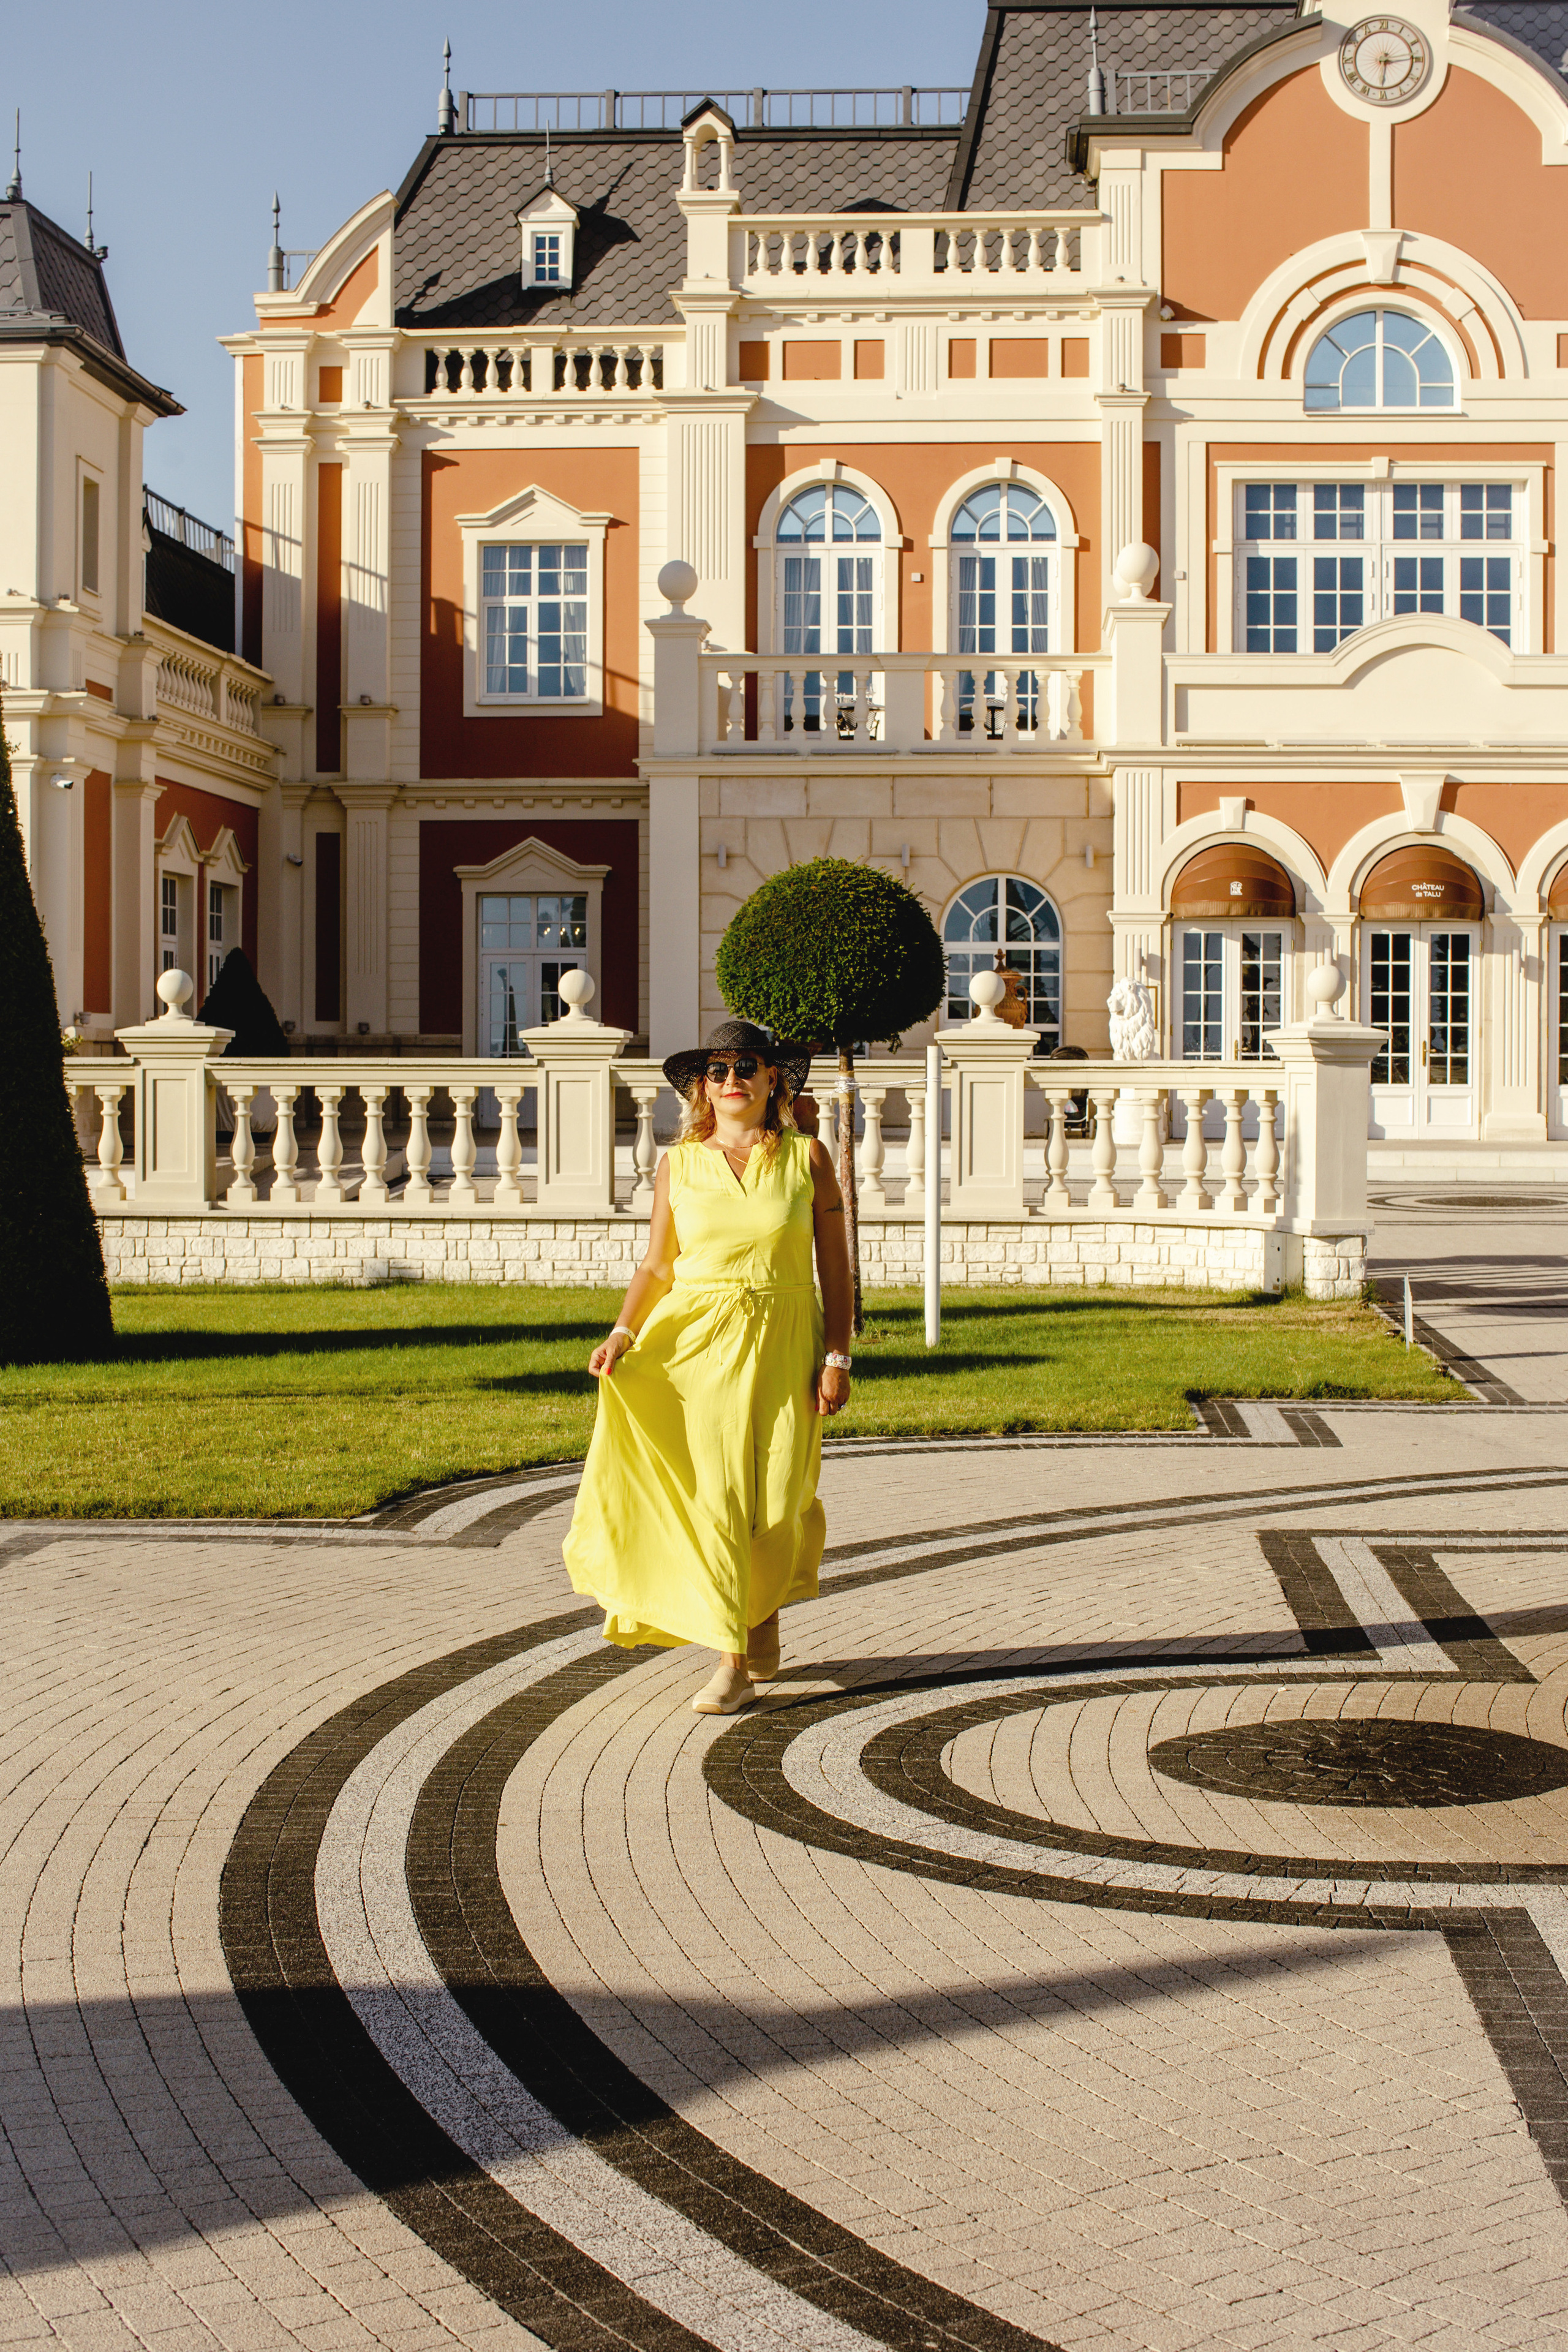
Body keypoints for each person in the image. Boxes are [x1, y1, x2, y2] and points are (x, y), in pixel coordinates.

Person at [562, 1020, 854, 1714]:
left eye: (746, 1066)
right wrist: (623, 1333)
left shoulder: (808, 1158)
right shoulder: (680, 1163)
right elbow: (658, 1265)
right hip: (695, 1345)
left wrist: (837, 1356)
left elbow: (836, 1269)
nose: (732, 1080)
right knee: (720, 1500)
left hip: (784, 1340)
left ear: (772, 1078)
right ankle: (731, 1659)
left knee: (777, 1500)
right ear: (703, 1087)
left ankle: (762, 1618)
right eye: (717, 1070)